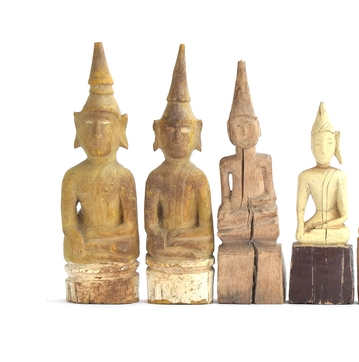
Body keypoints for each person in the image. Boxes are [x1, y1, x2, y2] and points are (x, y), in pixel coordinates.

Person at [61, 43, 139, 264]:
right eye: (89, 124)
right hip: (88, 243)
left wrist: (98, 234)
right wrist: (74, 235)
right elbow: (68, 224)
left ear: (121, 128)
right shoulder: (73, 176)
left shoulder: (124, 176)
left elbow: (129, 227)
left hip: (111, 241)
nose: (96, 133)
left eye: (105, 124)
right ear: (78, 126)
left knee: (128, 247)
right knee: (70, 247)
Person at [145, 45, 214, 260]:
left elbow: (206, 229)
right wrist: (157, 233)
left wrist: (177, 237)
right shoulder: (155, 178)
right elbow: (151, 224)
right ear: (158, 131)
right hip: (167, 242)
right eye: (170, 130)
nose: (176, 137)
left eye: (184, 130)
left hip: (187, 240)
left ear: (197, 132)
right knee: (155, 246)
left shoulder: (198, 177)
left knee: (204, 244)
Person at [217, 61, 279, 243]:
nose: (244, 131)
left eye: (248, 125)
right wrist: (227, 205)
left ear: (258, 127)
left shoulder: (264, 161)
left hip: (260, 213)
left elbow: (272, 195)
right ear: (229, 129)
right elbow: (225, 197)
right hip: (236, 212)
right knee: (224, 222)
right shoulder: (226, 164)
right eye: (238, 126)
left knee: (270, 220)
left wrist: (254, 204)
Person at [296, 102, 349, 245]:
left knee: (345, 234)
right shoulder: (305, 176)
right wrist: (301, 226)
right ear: (311, 146)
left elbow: (344, 216)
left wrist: (322, 226)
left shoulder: (338, 176)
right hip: (315, 222)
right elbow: (301, 209)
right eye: (318, 144)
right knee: (301, 236)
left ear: (335, 145)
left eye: (329, 143)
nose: (323, 150)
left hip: (334, 226)